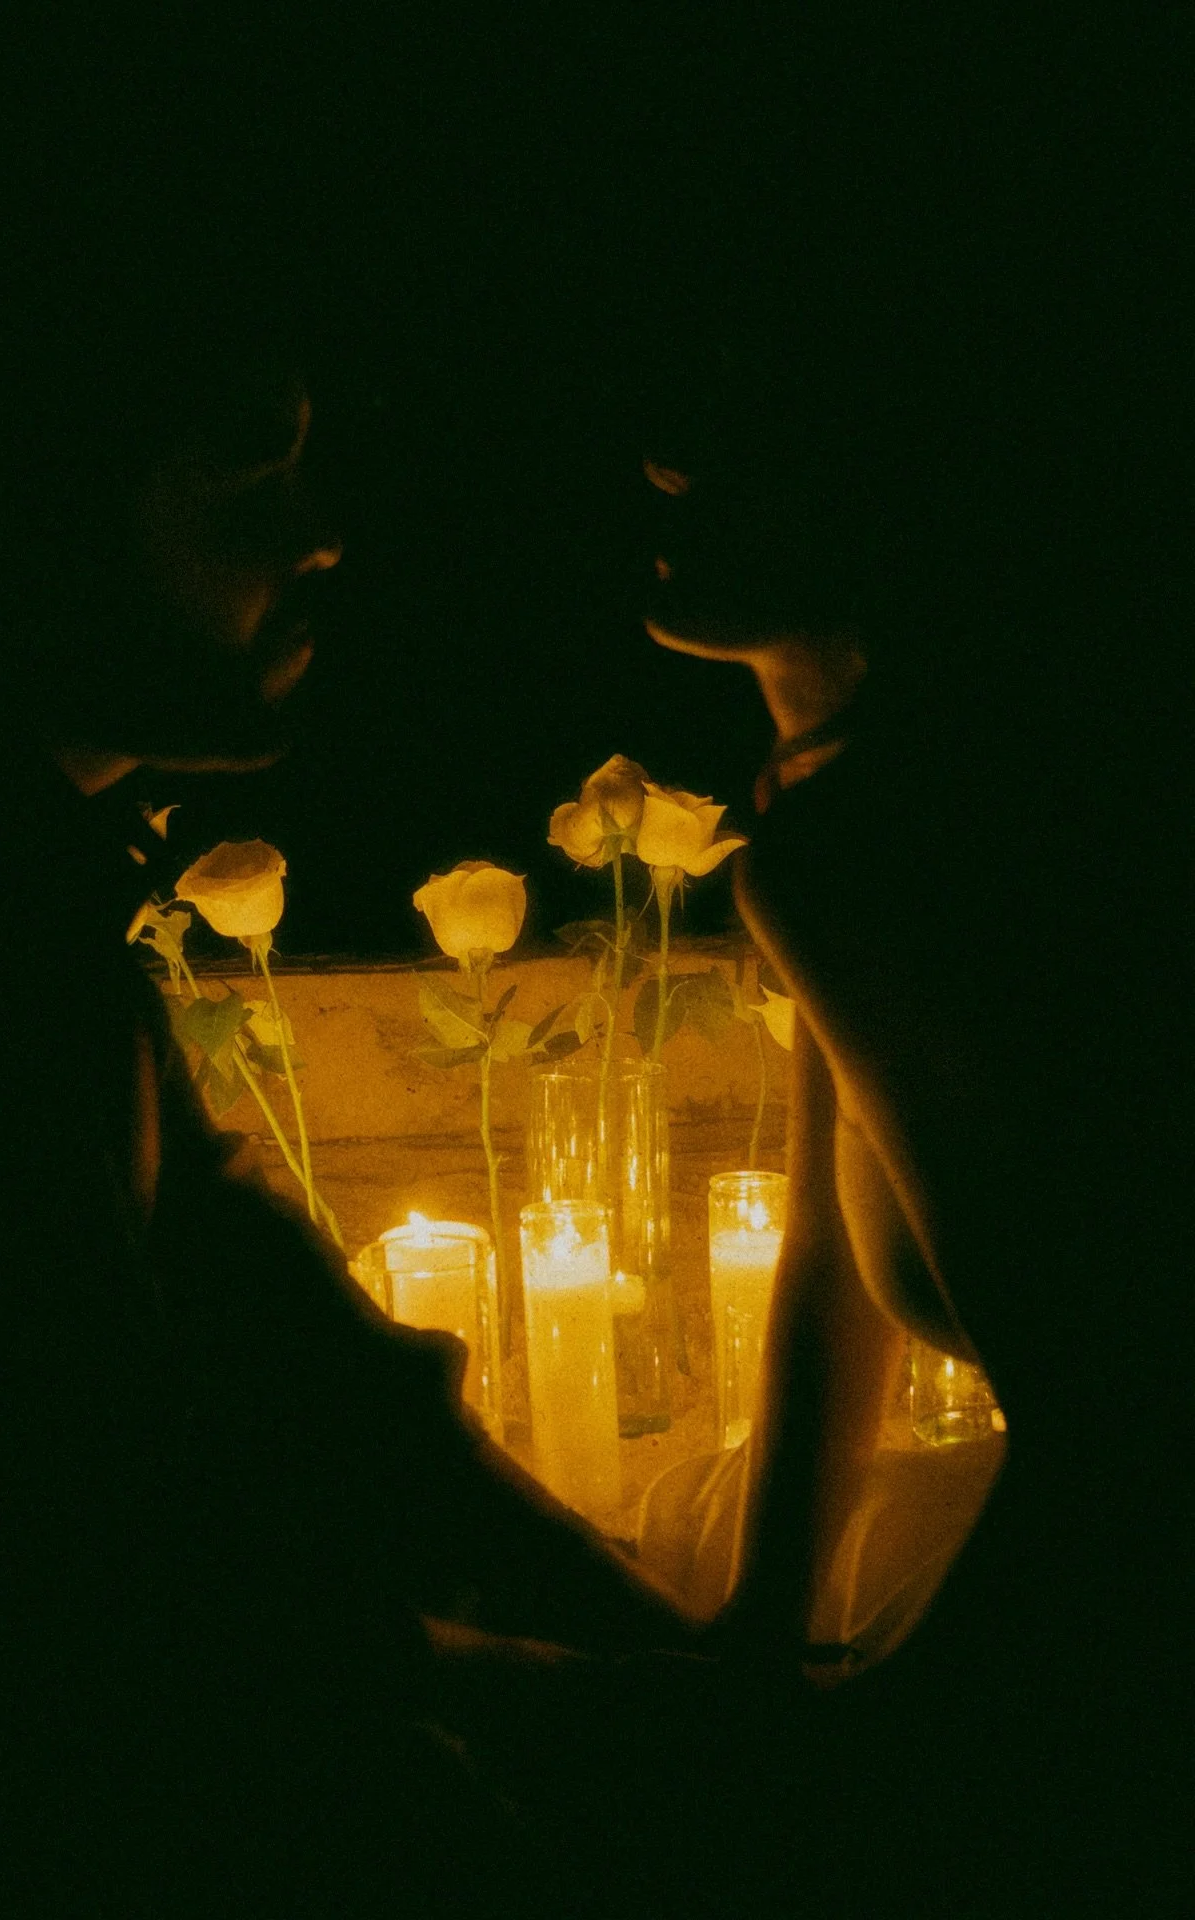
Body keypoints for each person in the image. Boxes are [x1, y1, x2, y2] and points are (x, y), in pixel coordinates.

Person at [0, 327, 703, 1915]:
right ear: (11, 509)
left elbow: (261, 1318)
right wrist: (556, 1693)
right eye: (240, 465)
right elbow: (52, 1559)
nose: (316, 530)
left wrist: (622, 1625)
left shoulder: (0, 885)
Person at [635, 343, 1191, 1912]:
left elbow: (1129, 1423)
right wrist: (766, 1630)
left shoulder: (879, 853)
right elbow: (830, 1242)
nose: (667, 461)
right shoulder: (851, 815)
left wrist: (889, 1742)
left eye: (747, 440)